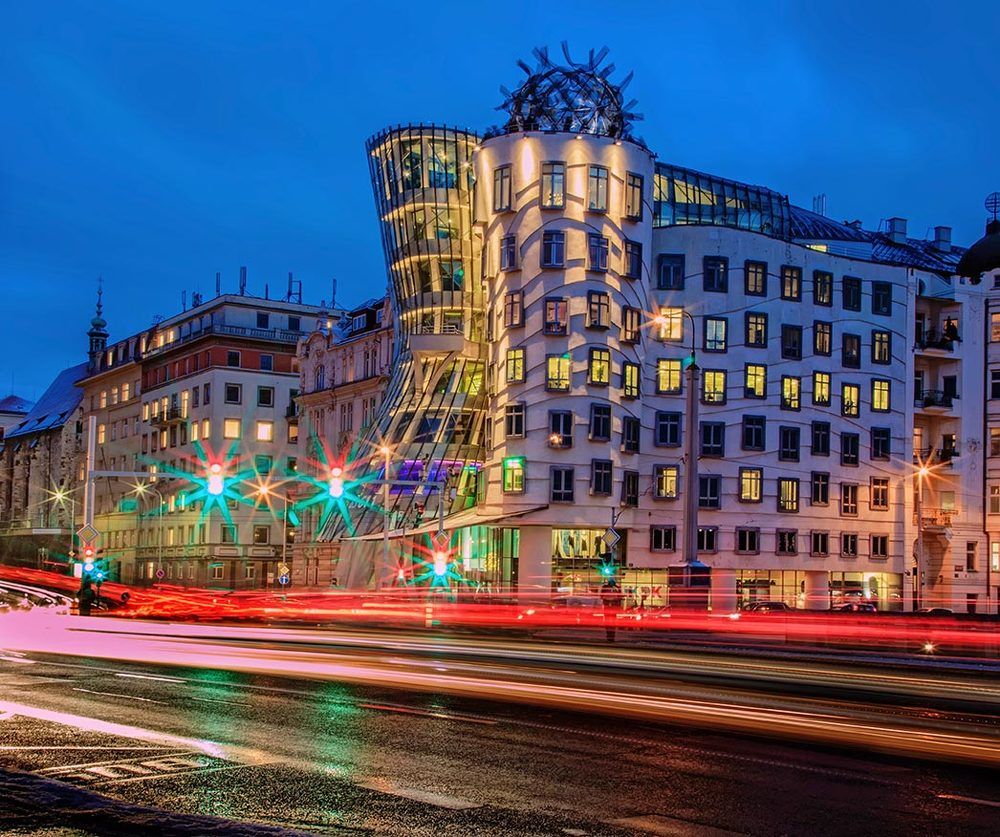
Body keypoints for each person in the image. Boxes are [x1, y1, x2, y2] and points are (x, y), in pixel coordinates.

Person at [600, 577, 624, 642]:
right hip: (609, 607)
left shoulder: (616, 587)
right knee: (609, 623)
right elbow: (601, 596)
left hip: (612, 607)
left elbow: (620, 597)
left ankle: (611, 637)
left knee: (611, 623)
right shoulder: (607, 587)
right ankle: (610, 636)